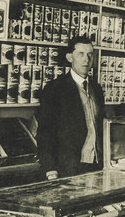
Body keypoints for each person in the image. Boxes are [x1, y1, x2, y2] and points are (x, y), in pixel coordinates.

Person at [36, 34, 105, 179]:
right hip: (69, 167)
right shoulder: (55, 88)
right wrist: (50, 169)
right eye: (80, 54)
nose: (86, 59)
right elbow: (45, 132)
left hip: (97, 165)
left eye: (90, 55)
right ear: (69, 57)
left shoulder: (96, 88)